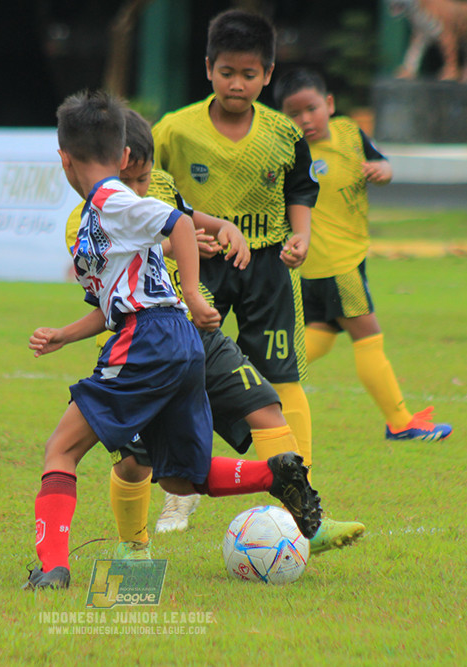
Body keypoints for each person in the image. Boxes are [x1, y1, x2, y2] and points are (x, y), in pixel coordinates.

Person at [24, 89, 322, 590]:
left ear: (63, 158)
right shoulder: (97, 219)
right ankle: (275, 474)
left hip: (151, 339)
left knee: (61, 451)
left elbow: (179, 223)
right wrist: (64, 335)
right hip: (175, 342)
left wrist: (193, 291)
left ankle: (53, 567)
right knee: (183, 476)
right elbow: (114, 302)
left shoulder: (110, 198)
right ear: (122, 154)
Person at [65, 109, 364, 558]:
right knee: (135, 462)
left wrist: (225, 229)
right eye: (134, 183)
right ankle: (134, 546)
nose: (143, 191)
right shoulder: (87, 218)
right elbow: (118, 279)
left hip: (190, 334)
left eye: (146, 179)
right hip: (133, 349)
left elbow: (188, 217)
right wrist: (171, 245)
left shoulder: (160, 187)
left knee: (265, 407)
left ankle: (308, 526)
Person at [151, 9, 321, 530]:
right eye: (227, 72)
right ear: (208, 68)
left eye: (250, 74)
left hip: (266, 265)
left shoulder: (282, 133)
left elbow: (300, 190)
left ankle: (299, 487)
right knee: (184, 370)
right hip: (196, 267)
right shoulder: (175, 131)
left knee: (281, 378)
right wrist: (178, 236)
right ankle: (180, 490)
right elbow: (147, 193)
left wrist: (302, 238)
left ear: (268, 74)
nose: (237, 83)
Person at [273, 67, 452, 441]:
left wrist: (381, 171)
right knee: (368, 335)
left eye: (312, 108)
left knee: (319, 335)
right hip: (334, 264)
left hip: (343, 260)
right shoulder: (289, 152)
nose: (305, 119)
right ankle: (400, 422)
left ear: (329, 104)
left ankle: (258, 386)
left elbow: (383, 163)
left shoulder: (351, 133)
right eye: (294, 113)